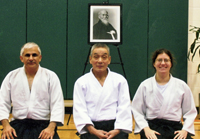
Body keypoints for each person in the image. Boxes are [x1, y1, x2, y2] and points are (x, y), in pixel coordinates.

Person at [0, 42, 64, 139]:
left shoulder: (51, 76)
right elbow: (2, 102)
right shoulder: (11, 76)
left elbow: (57, 104)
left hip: (44, 125)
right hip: (18, 125)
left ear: (40, 58)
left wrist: (51, 128)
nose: (31, 58)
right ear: (21, 58)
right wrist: (6, 126)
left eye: (34, 55)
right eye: (27, 55)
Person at [131, 48, 197, 139]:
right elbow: (137, 110)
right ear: (154, 63)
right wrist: (146, 128)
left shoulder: (181, 85)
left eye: (166, 60)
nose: (163, 63)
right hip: (152, 127)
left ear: (171, 64)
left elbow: (190, 111)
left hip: (175, 128)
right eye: (159, 60)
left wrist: (185, 130)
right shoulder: (145, 85)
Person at [73, 43, 132, 139]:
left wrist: (117, 130)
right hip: (91, 128)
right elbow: (80, 109)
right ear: (90, 59)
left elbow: (124, 107)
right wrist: (93, 130)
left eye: (104, 57)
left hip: (115, 128)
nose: (100, 61)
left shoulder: (120, 80)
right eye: (96, 57)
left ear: (109, 60)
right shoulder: (81, 82)